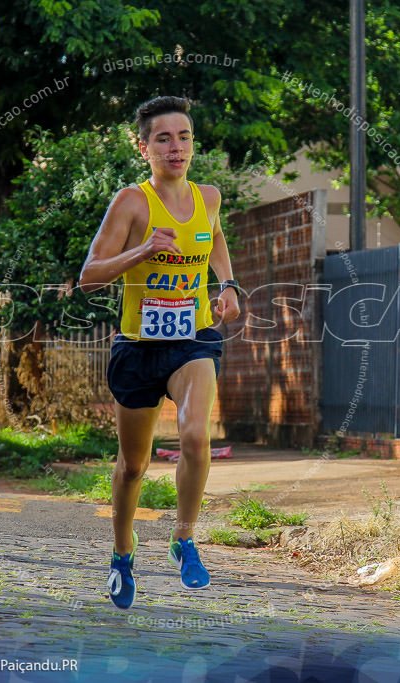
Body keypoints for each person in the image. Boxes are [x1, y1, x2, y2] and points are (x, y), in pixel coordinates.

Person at [78, 96, 241, 609]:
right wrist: (142, 251)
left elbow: (213, 238)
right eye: (164, 138)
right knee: (132, 465)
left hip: (192, 338)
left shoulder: (208, 196)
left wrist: (229, 285)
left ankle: (184, 539)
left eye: (185, 136)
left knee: (195, 437)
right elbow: (89, 276)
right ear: (143, 146)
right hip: (138, 348)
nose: (176, 147)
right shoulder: (131, 202)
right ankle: (123, 554)